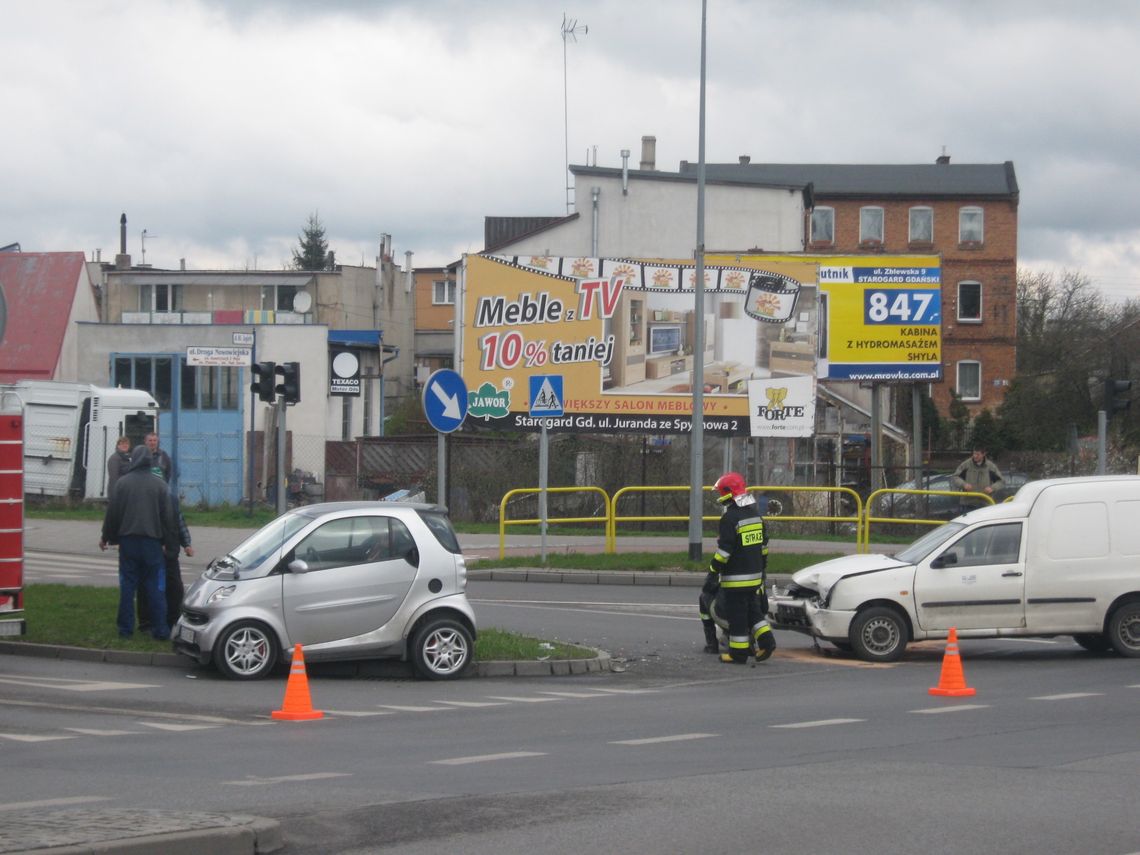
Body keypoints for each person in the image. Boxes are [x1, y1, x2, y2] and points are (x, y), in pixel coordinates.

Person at [99, 446, 179, 640]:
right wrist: (170, 545)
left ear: (133, 459)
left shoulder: (122, 484)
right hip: (152, 543)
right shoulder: (160, 485)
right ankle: (160, 630)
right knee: (156, 588)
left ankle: (125, 630)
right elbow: (168, 518)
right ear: (150, 460)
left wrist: (106, 536)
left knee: (127, 587)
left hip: (128, 543)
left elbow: (113, 514)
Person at [702, 471, 776, 664]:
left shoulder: (729, 519)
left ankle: (738, 653)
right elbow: (763, 546)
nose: (719, 497)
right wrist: (763, 569)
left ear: (729, 493)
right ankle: (767, 643)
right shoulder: (755, 516)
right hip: (755, 576)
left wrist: (712, 571)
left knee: (738, 617)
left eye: (720, 493)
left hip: (736, 579)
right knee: (754, 612)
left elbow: (724, 552)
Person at [139, 487, 193, 635]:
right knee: (147, 587)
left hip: (170, 552)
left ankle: (173, 621)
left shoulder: (171, 500)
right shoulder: (144, 502)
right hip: (150, 552)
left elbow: (180, 523)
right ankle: (146, 623)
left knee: (175, 588)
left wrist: (187, 544)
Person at [952, 446, 1004, 512]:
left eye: (978, 454)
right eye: (974, 453)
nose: (975, 456)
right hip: (967, 504)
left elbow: (1001, 481)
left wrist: (992, 488)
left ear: (984, 454)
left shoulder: (991, 467)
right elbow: (955, 477)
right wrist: (963, 484)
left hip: (985, 504)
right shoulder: (966, 465)